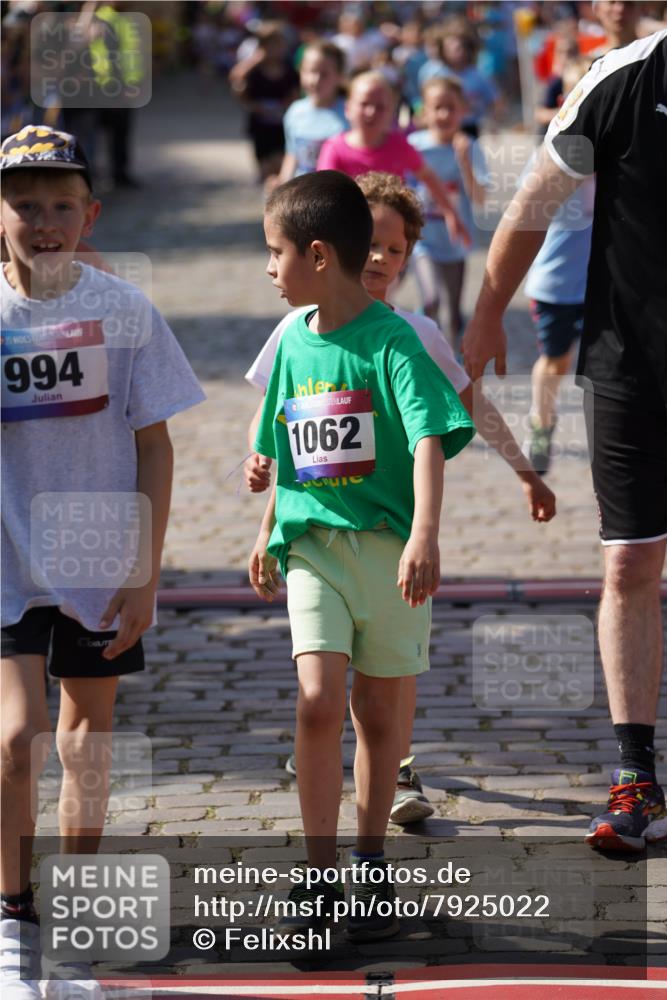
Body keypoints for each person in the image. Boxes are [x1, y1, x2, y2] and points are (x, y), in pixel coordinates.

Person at [244, 171, 556, 826]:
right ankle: (326, 755)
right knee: (323, 696)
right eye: (373, 244)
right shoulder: (295, 329)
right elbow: (284, 428)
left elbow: (463, 407)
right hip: (317, 540)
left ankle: (393, 765)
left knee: (385, 694)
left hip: (389, 541)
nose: (380, 260)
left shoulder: (408, 338)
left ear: (408, 257)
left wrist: (524, 470)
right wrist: (265, 501)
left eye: (394, 249)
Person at [0, 126, 204, 998]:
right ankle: (13, 920)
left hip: (99, 563)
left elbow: (154, 446)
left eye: (59, 205)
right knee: (14, 740)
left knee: (87, 744)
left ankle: (76, 921)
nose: (43, 222)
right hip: (7, 561)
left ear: (90, 213)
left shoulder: (124, 311)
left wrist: (145, 570)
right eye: (23, 204)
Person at [248, 170, 474, 938]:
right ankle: (316, 874)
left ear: (315, 255)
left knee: (380, 721)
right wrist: (264, 529)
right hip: (312, 547)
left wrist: (424, 534)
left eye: (274, 254)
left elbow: (426, 438)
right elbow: (284, 449)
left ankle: (369, 858)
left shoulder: (394, 341)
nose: (268, 270)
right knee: (317, 701)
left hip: (389, 556)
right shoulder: (288, 344)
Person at [462, 30, 667, 853]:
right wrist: (483, 315)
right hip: (628, 363)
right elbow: (534, 201)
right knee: (627, 562)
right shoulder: (624, 78)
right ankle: (635, 780)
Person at [522, 56, 596, 475]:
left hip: (604, 282)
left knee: (604, 367)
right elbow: (522, 218)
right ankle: (542, 423)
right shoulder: (548, 155)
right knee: (556, 363)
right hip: (555, 285)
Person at [316, 71, 469, 247]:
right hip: (350, 238)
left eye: (380, 106)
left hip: (390, 242)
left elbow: (428, 175)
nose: (371, 111)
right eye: (364, 104)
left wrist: (451, 214)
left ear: (391, 112)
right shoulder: (334, 149)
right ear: (348, 108)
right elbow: (325, 195)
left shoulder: (399, 146)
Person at [408, 76, 488, 346]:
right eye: (437, 107)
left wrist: (465, 162)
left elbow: (480, 199)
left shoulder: (470, 147)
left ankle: (451, 360)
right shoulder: (414, 146)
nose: (443, 114)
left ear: (463, 111)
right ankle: (421, 350)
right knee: (430, 301)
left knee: (453, 313)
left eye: (450, 108)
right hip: (422, 240)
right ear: (425, 112)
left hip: (455, 243)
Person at [229, 22, 299, 182]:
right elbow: (236, 79)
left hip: (281, 123)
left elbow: (295, 93)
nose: (276, 49)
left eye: (279, 44)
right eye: (271, 44)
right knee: (264, 168)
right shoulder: (254, 70)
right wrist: (256, 58)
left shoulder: (288, 69)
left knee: (280, 166)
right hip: (260, 124)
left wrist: (284, 107)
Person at [274, 40, 347, 184]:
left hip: (337, 195)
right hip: (302, 194)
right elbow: (292, 154)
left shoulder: (350, 113)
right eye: (311, 71)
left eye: (324, 74)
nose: (316, 80)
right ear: (300, 72)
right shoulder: (295, 111)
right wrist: (282, 185)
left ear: (339, 76)